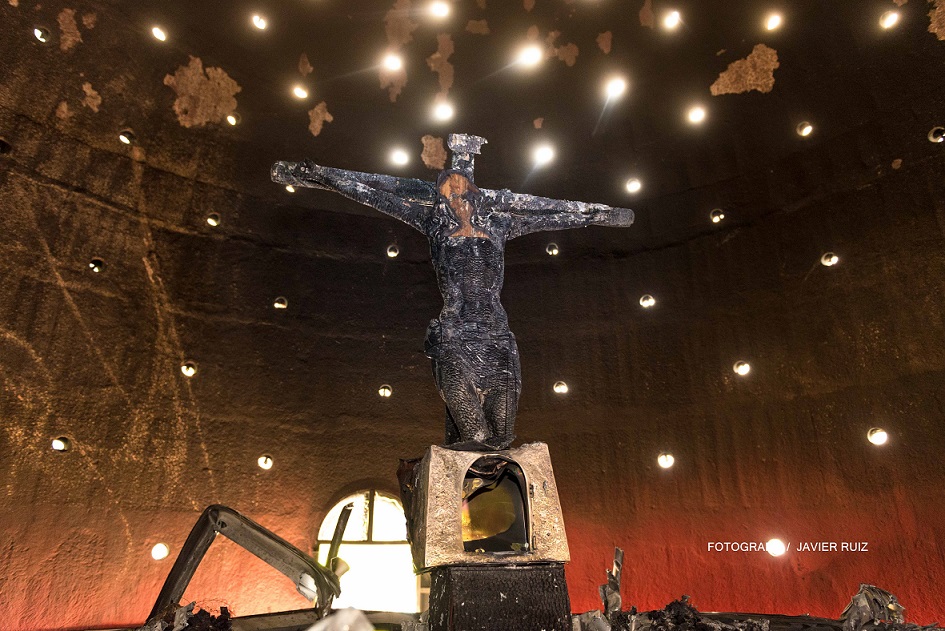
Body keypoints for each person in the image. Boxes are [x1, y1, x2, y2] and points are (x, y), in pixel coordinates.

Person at [271, 134, 633, 450]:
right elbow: (373, 195)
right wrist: (322, 176)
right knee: (475, 435)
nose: (456, 200)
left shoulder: (500, 225)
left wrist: (598, 215)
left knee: (502, 437)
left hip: (496, 339)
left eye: (461, 193)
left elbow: (554, 214)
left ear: (475, 196)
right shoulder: (434, 226)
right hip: (456, 336)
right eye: (448, 195)